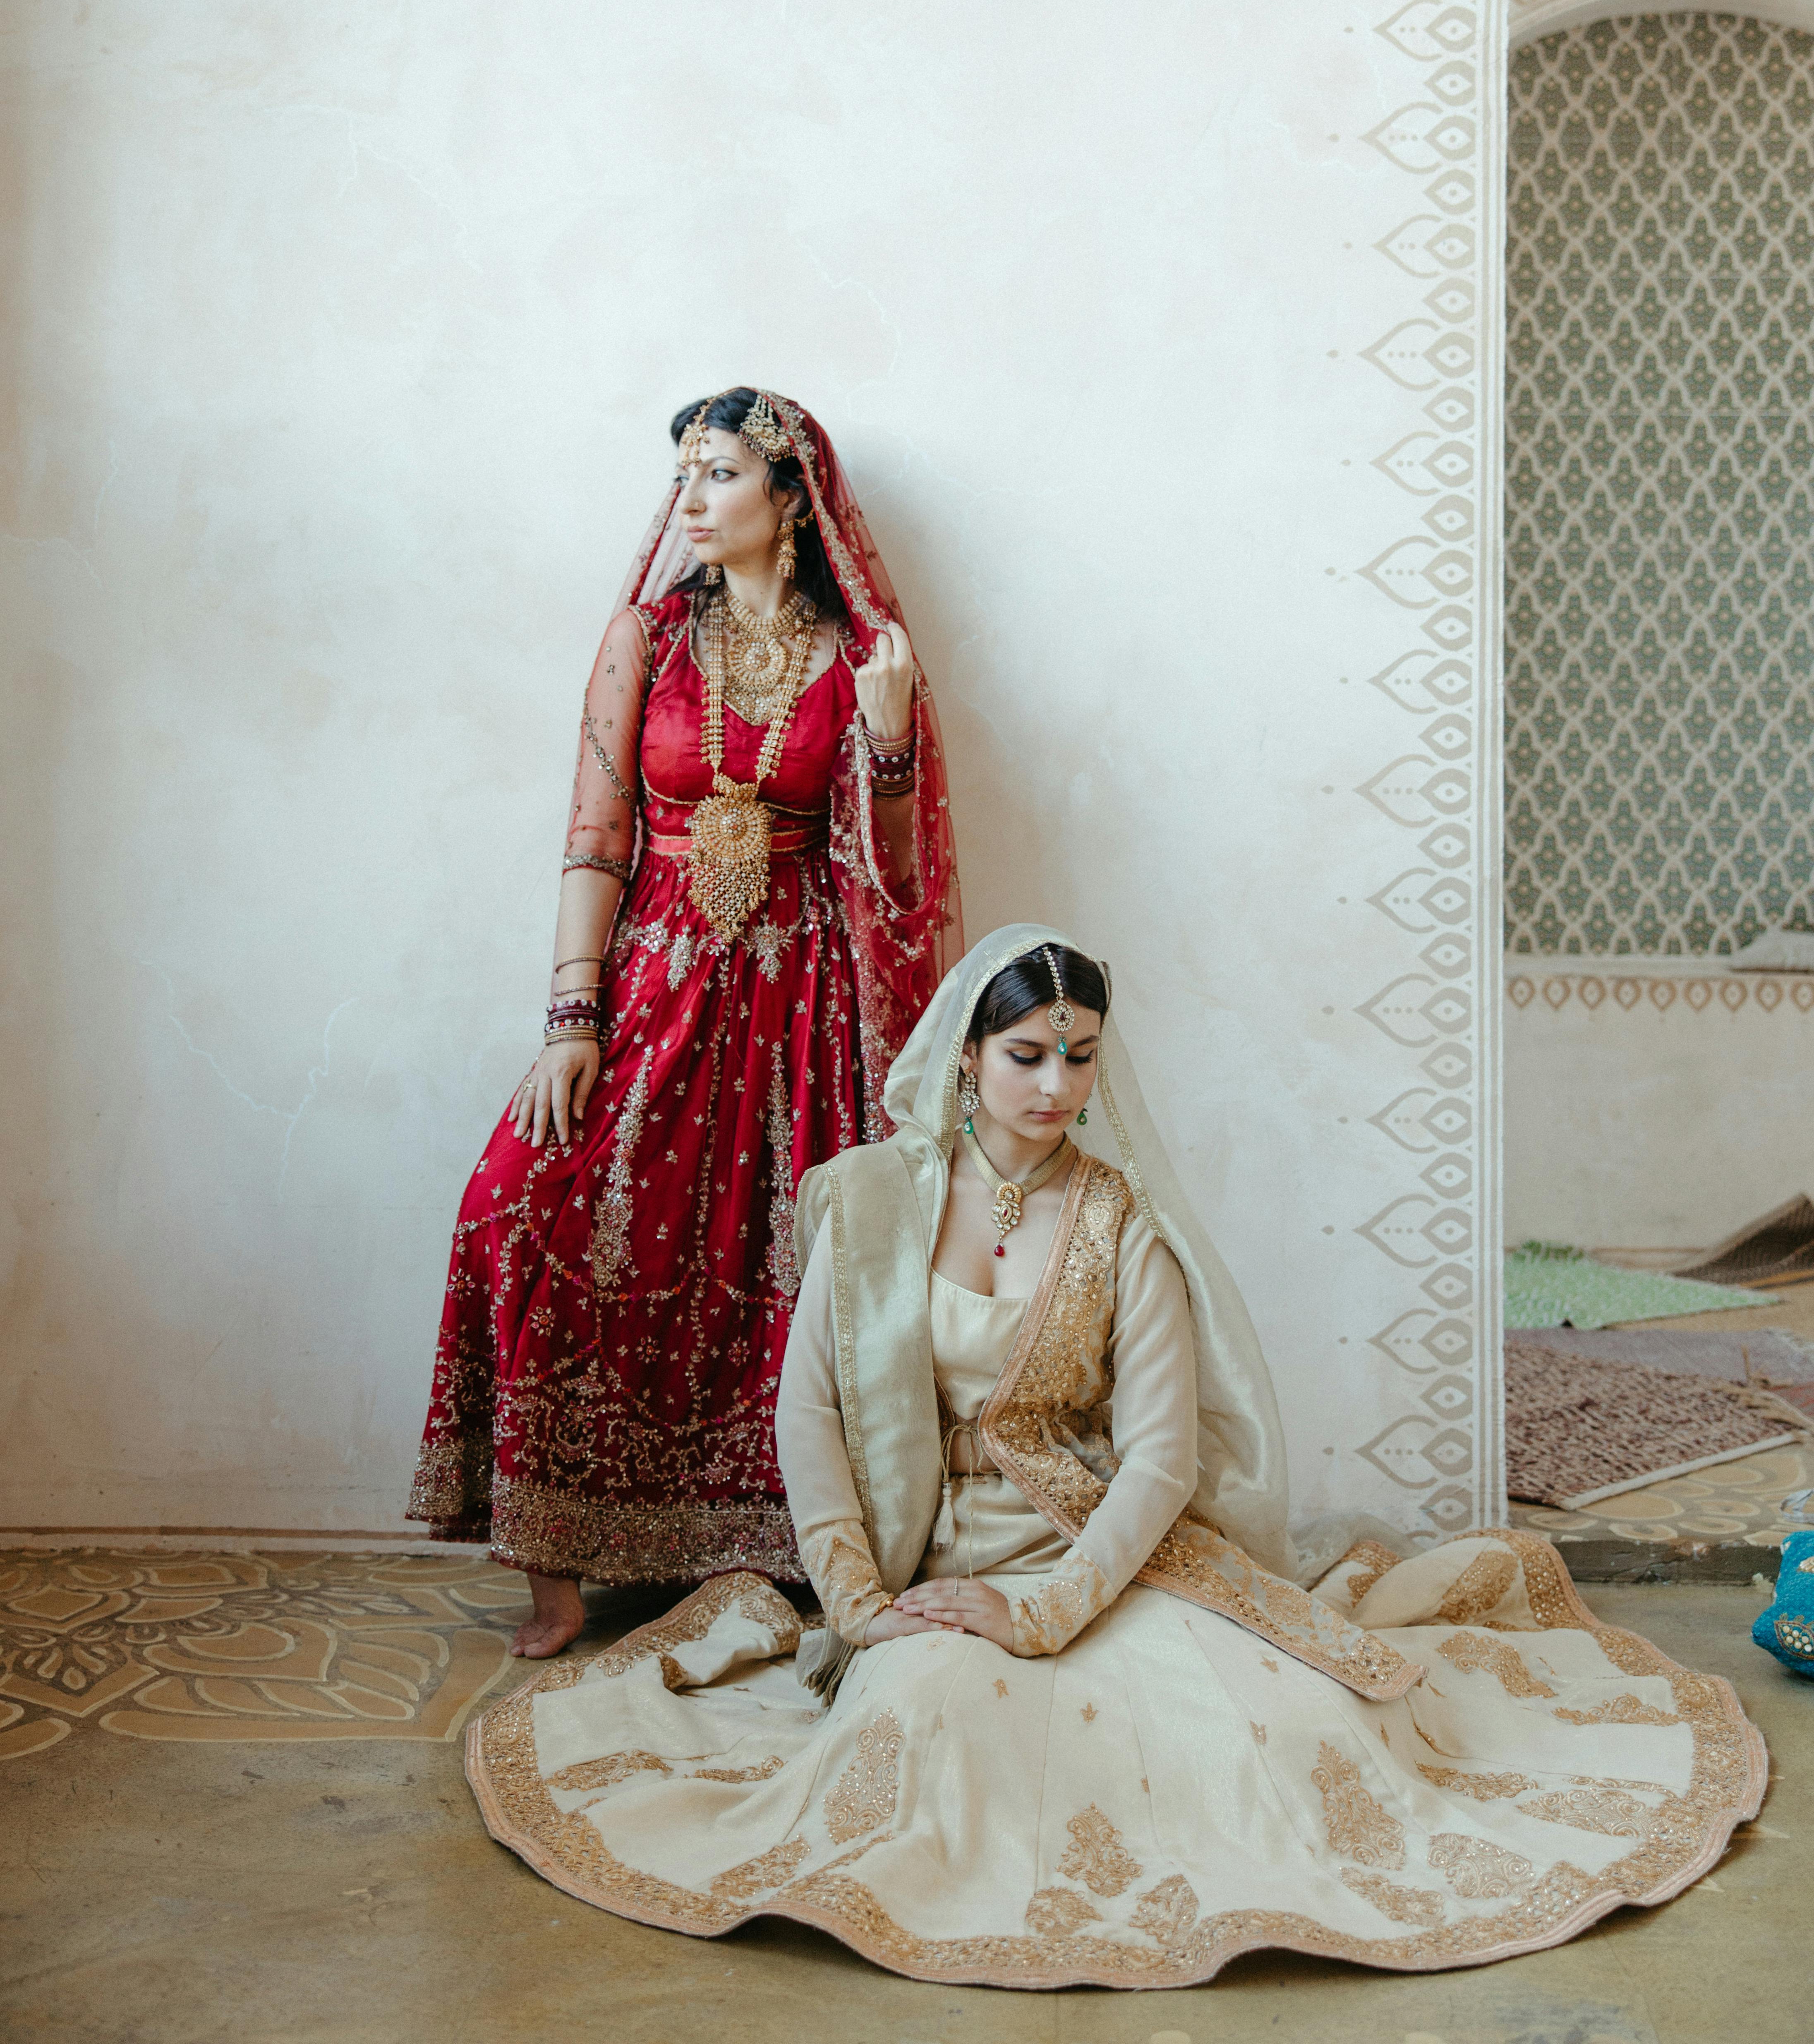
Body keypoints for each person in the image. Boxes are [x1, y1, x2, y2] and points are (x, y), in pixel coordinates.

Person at [463, 926, 1766, 1989]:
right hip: (921, 1562)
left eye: (1079, 1058)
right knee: (924, 1730)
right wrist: (854, 1597)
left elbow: (1151, 1460)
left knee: (1300, 1725)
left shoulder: (1120, 1223)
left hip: (1093, 1553)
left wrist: (1042, 1609)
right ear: (967, 1053)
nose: (1052, 1086)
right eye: (1025, 1053)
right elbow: (808, 1414)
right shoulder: (864, 1201)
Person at [408, 389, 961, 1657]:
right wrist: (569, 1016)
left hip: (798, 1000)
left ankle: (785, 1540)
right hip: (653, 984)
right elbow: (594, 837)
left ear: (789, 496)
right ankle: (552, 1548)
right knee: (514, 1205)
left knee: (788, 1270)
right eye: (683, 475)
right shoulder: (645, 638)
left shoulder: (863, 652)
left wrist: (883, 742)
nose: (689, 499)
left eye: (716, 474)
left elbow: (894, 880)